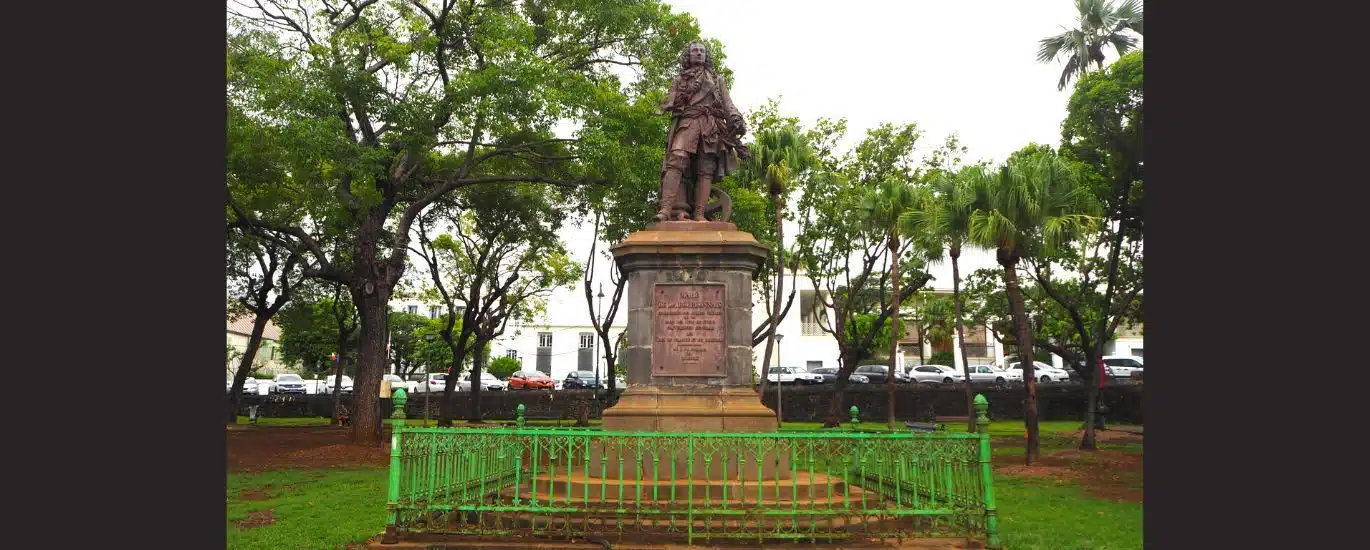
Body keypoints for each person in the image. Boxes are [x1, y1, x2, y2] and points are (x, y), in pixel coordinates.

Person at [656, 41, 748, 222]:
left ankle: (699, 214)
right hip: (688, 123)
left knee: (706, 169)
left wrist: (736, 119)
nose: (698, 53)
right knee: (676, 160)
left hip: (709, 126)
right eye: (694, 51)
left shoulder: (717, 80)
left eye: (701, 51)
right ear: (688, 56)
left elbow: (727, 103)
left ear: (706, 56)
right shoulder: (679, 79)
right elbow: (668, 101)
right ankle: (665, 209)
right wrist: (676, 99)